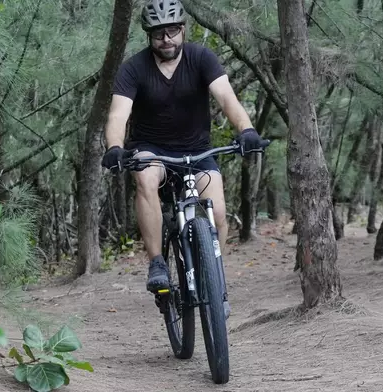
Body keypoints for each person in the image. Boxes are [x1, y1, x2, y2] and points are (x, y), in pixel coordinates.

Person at [101, 0, 265, 294]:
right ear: (149, 35)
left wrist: (247, 130)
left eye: (173, 31)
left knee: (218, 215)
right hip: (152, 151)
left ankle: (214, 281)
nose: (167, 39)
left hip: (196, 152)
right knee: (146, 179)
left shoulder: (201, 58)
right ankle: (157, 264)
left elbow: (227, 99)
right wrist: (115, 147)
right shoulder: (133, 69)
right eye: (159, 33)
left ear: (183, 29)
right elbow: (118, 115)